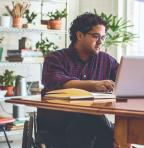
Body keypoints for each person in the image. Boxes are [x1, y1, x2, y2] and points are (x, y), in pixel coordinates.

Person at [37, 12, 119, 148]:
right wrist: (94, 85)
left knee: (92, 122)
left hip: (89, 123)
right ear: (79, 35)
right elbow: (59, 83)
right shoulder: (55, 58)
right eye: (96, 36)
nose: (101, 42)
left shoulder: (106, 60)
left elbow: (122, 80)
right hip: (56, 120)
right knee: (91, 121)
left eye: (103, 37)